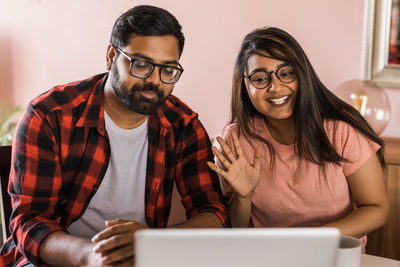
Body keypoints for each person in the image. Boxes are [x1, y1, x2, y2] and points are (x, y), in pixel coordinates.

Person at [0, 5, 229, 267]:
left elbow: (214, 214)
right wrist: (90, 257)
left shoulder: (183, 126)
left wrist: (148, 242)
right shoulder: (49, 115)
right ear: (111, 56)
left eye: (167, 69)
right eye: (141, 64)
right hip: (56, 261)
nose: (154, 80)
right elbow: (29, 222)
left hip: (141, 260)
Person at [207, 27, 389, 246]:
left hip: (335, 255)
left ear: (303, 74)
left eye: (286, 73)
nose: (275, 87)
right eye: (260, 78)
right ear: (245, 85)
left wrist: (313, 239)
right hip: (270, 257)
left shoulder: (341, 130)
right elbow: (236, 232)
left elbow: (377, 208)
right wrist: (244, 197)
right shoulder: (236, 139)